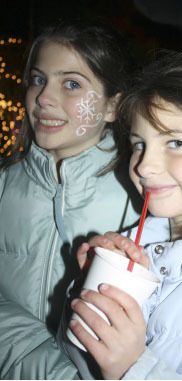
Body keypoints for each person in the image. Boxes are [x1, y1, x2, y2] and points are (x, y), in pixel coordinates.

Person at [67, 51, 182, 379]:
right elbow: (77, 361)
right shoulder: (132, 245)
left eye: (176, 143)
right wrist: (86, 293)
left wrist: (133, 369)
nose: (144, 166)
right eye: (139, 144)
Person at [0, 22, 142, 379]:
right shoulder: (3, 186)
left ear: (113, 106)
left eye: (72, 84)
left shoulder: (141, 205)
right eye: (37, 79)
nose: (44, 97)